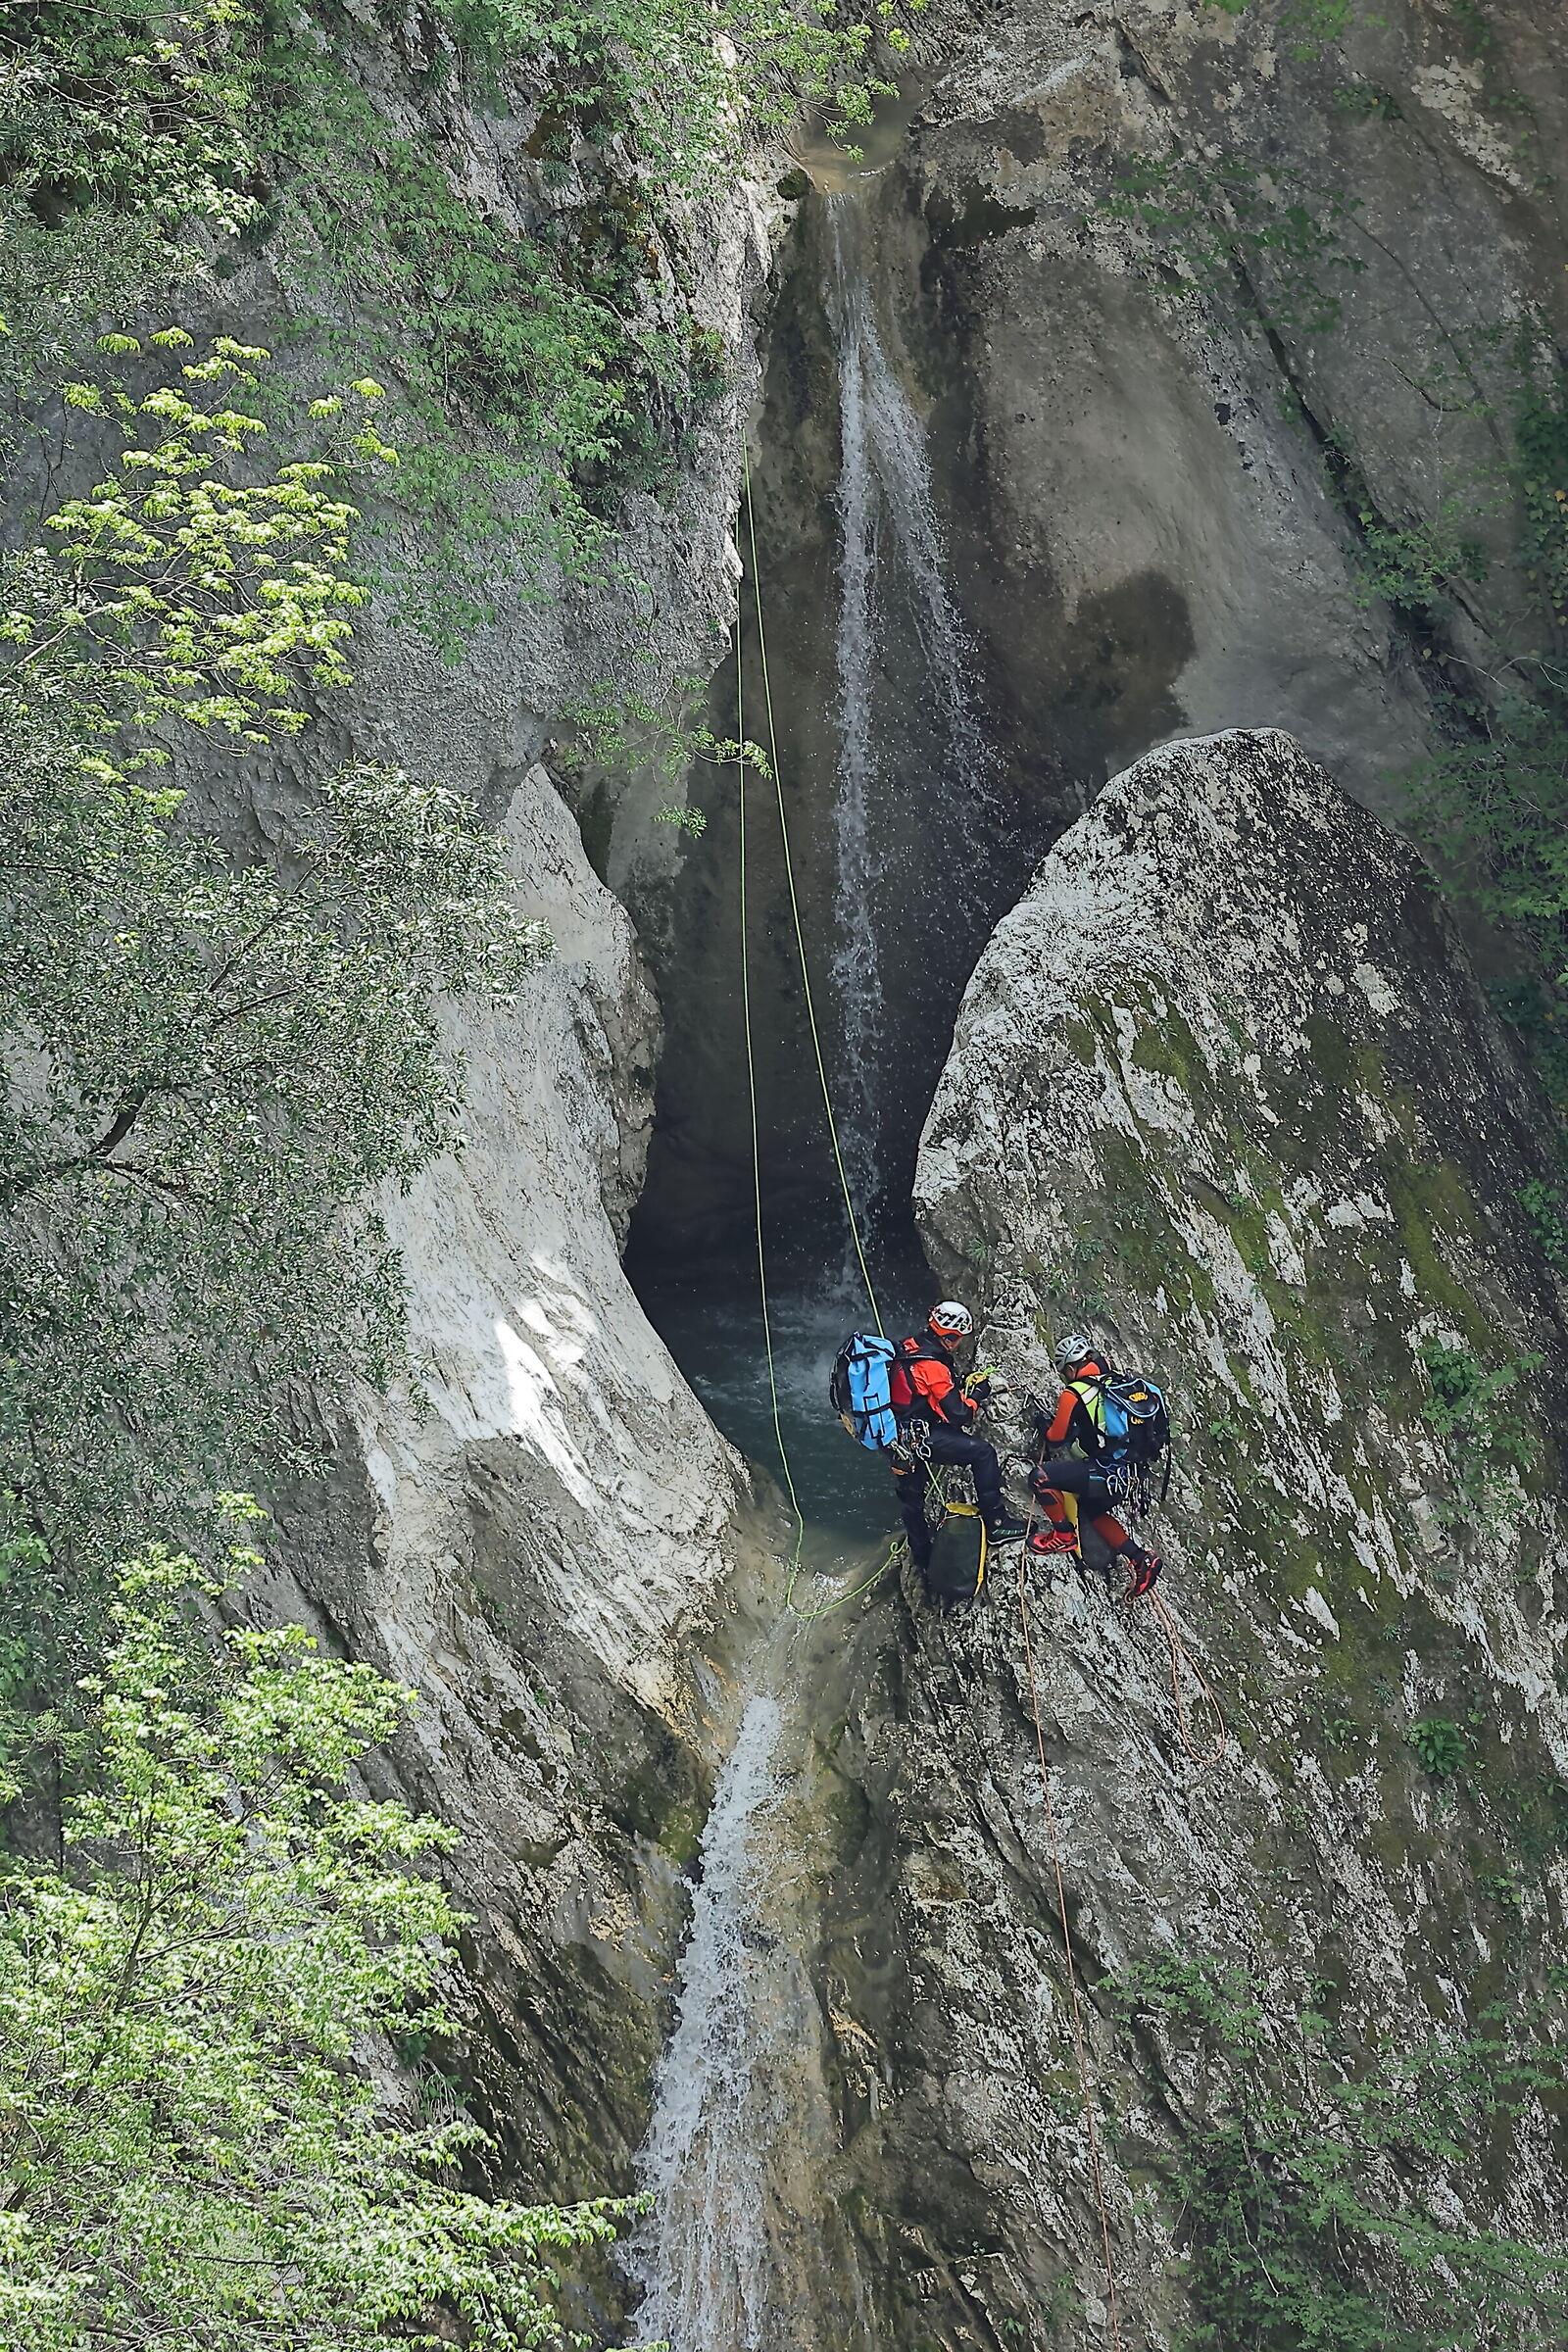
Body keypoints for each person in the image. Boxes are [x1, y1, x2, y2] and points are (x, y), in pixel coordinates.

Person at [889, 1301, 1025, 1571]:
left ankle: (922, 1560)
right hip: (921, 1438)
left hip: (897, 1437)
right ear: (951, 1338)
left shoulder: (909, 1346)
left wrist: (957, 1385)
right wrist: (977, 1394)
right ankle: (997, 1522)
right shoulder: (934, 1367)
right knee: (982, 1453)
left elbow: (922, 1391)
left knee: (912, 1498)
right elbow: (959, 1414)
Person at [1027, 1333, 1162, 1597]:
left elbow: (1055, 1439)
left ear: (1069, 1368)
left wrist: (1043, 1424)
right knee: (1091, 1511)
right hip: (1129, 1476)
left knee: (1039, 1478)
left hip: (1105, 1473)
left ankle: (1063, 1536)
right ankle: (1140, 1558)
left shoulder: (1074, 1392)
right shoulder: (1115, 1378)